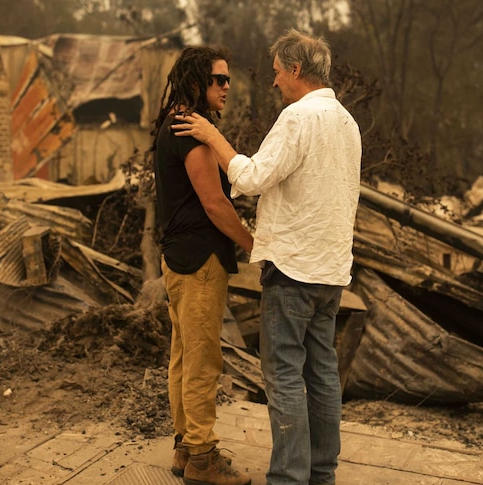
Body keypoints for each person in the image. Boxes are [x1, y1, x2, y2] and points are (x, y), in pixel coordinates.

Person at [173, 29, 362, 485]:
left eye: (277, 72)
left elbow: (253, 176)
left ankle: (288, 479)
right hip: (331, 272)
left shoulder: (299, 118)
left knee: (282, 378)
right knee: (322, 377)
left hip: (293, 270)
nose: (274, 82)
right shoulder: (347, 123)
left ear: (296, 70)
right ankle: (321, 474)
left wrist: (212, 136)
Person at [152, 46, 254, 485]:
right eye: (219, 79)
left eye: (228, 79)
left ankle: (184, 450)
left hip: (178, 258)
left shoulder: (174, 122)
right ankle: (202, 459)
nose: (227, 86)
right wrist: (254, 243)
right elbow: (214, 203)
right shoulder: (193, 131)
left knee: (183, 358)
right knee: (202, 361)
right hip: (199, 261)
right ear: (197, 82)